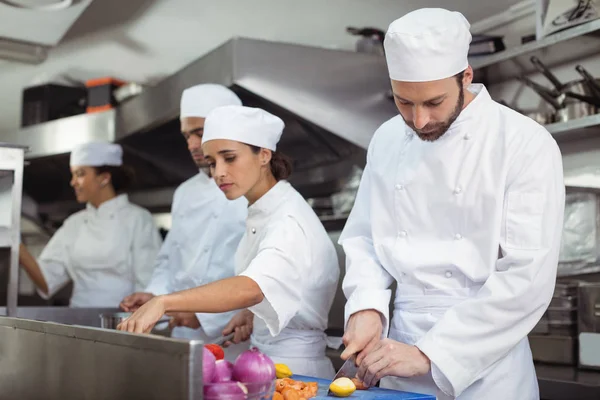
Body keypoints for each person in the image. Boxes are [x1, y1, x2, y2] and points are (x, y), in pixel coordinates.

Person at [338, 8, 565, 400]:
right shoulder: (388, 138)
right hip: (393, 358)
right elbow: (364, 238)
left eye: (433, 102)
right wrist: (367, 307)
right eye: (403, 102)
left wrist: (431, 354)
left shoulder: (524, 142)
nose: (419, 119)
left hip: (485, 366)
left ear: (466, 77)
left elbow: (526, 277)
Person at [117, 105, 340, 379]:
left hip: (295, 373)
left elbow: (251, 287)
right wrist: (253, 315)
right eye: (212, 163)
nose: (218, 173)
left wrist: (163, 302)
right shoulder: (264, 210)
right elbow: (279, 287)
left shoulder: (288, 219)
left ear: (264, 155)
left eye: (229, 158)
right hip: (267, 365)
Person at [120, 84, 248, 357]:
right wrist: (154, 294)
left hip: (233, 340)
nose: (191, 145)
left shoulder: (253, 192)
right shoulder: (185, 192)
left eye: (199, 133)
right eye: (187, 135)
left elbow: (261, 280)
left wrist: (204, 316)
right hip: (181, 338)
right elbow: (170, 258)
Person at [19, 141, 162, 307]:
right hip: (79, 321)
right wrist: (16, 244)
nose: (73, 182)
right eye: (73, 175)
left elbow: (149, 286)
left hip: (122, 320)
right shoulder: (74, 224)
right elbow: (46, 282)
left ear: (104, 178)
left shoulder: (138, 219)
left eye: (80, 174)